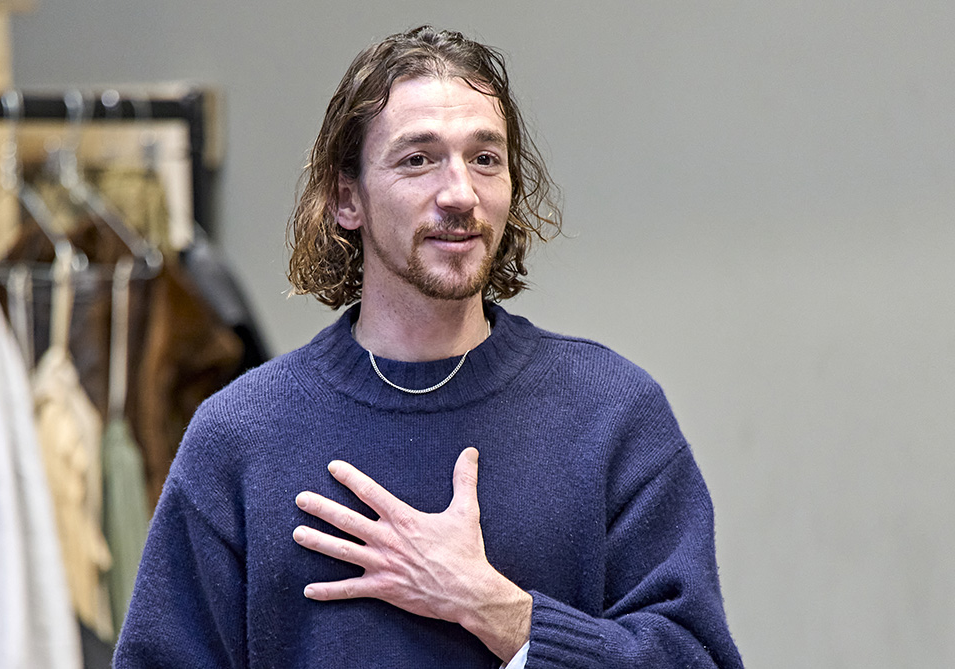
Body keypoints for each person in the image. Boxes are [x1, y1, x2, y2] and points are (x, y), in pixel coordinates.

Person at [114, 25, 744, 669]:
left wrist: (493, 608)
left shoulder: (613, 413)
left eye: (485, 159)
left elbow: (698, 659)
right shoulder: (241, 435)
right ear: (345, 197)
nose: (460, 194)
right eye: (418, 159)